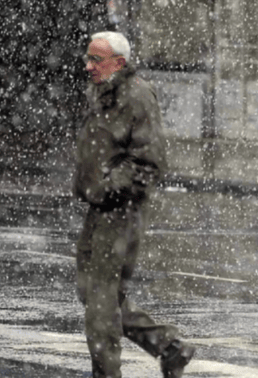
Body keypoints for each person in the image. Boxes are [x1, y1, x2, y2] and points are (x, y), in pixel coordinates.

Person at [74, 31, 195, 378]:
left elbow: (150, 160)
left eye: (96, 59)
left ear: (119, 63)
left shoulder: (137, 95)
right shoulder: (103, 93)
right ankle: (169, 347)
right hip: (99, 208)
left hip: (120, 210)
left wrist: (113, 189)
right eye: (88, 58)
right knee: (95, 293)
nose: (88, 66)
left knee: (100, 303)